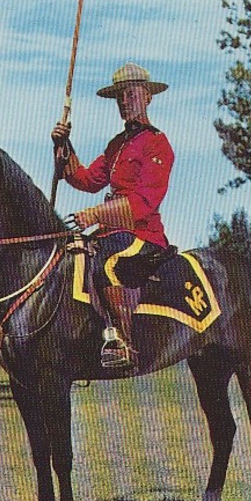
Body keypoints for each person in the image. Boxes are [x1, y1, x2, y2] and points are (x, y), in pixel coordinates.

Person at [51, 62, 174, 372]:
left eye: (131, 94)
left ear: (148, 97)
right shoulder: (116, 146)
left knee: (107, 263)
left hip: (143, 236)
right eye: (120, 96)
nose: (124, 102)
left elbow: (144, 203)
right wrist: (64, 144)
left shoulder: (157, 143)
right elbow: (86, 180)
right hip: (111, 234)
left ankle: (123, 343)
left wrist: (94, 214)